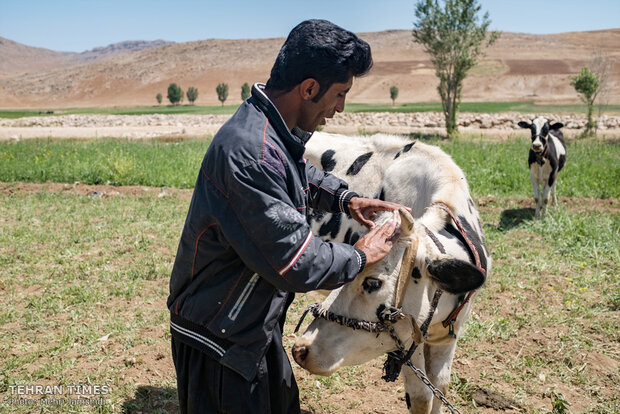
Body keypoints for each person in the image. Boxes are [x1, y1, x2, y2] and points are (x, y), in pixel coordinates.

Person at [167, 19, 407, 414]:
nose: (341, 107)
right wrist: (362, 255)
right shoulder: (252, 152)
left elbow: (295, 175)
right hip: (220, 338)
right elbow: (295, 263)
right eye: (340, 94)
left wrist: (346, 200)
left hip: (248, 323)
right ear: (309, 88)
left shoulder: (271, 131)